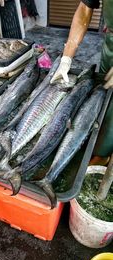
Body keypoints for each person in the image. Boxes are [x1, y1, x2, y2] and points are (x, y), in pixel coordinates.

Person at [51, 0, 113, 165]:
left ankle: (104, 156)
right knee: (105, 98)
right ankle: (97, 146)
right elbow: (85, 8)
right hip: (111, 44)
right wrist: (66, 58)